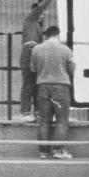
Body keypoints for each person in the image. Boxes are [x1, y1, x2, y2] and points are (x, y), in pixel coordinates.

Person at [29, 25, 74, 160]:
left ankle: (43, 152)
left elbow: (32, 68)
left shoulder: (37, 49)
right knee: (61, 120)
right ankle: (58, 151)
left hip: (43, 86)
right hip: (61, 87)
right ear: (57, 35)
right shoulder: (65, 49)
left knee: (44, 121)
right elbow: (71, 69)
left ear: (46, 36)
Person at [19, 0, 55, 122]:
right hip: (29, 52)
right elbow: (40, 8)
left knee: (37, 84)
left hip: (36, 53)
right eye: (41, 13)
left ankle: (37, 111)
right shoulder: (30, 20)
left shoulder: (36, 27)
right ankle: (25, 111)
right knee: (29, 83)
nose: (42, 16)